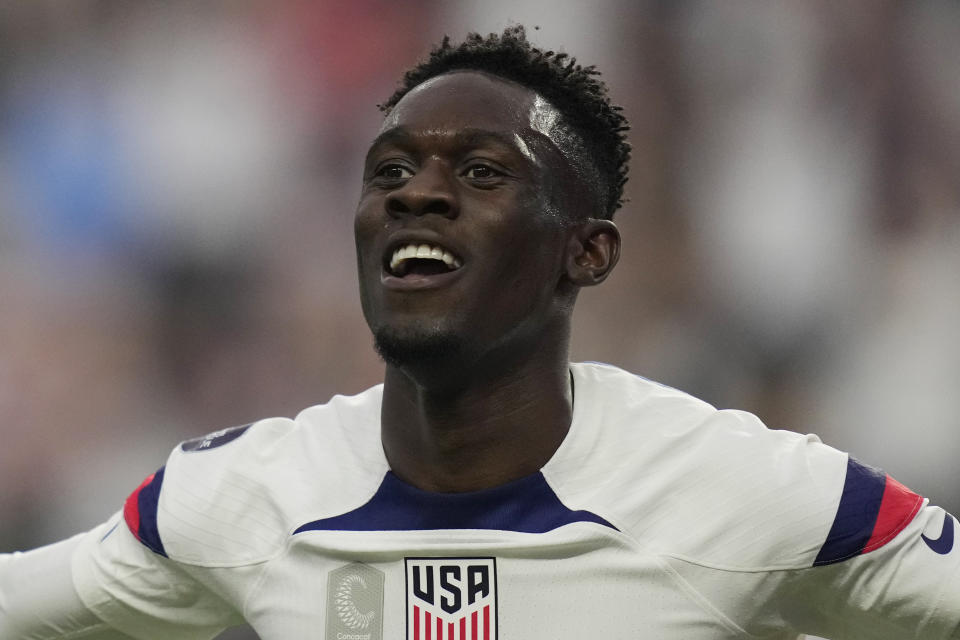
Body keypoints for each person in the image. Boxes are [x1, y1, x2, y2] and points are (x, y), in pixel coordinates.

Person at [1, 26, 957, 640]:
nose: (417, 193)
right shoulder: (242, 498)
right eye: (389, 172)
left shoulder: (737, 489)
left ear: (586, 253)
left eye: (484, 173)